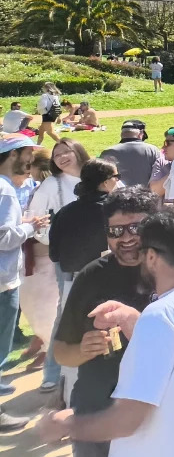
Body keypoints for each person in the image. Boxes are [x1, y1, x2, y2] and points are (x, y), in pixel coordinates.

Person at [35, 208, 174, 457]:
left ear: (151, 256)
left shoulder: (161, 316)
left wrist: (66, 425)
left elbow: (127, 421)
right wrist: (134, 321)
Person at [50, 187, 167, 457]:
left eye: (136, 227)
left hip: (161, 407)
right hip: (100, 408)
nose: (126, 237)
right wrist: (84, 350)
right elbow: (62, 351)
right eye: (116, 230)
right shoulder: (91, 276)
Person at [26, 137, 89, 393]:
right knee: (65, 313)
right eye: (57, 153)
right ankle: (52, 373)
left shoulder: (95, 175)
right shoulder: (52, 184)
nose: (62, 156)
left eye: (67, 151)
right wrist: (53, 238)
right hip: (69, 258)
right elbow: (35, 218)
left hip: (100, 253)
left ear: (79, 152)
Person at [0, 136, 45, 429]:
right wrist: (31, 227)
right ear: (13, 154)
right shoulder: (4, 191)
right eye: (28, 153)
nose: (30, 160)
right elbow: (4, 237)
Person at [49, 159, 118, 283]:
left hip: (73, 280)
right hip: (109, 276)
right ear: (106, 182)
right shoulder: (116, 211)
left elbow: (54, 253)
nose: (118, 180)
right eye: (116, 176)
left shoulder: (65, 212)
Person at [98, 122, 160, 190]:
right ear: (141, 134)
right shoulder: (152, 150)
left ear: (121, 134)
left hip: (116, 198)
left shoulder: (108, 152)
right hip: (147, 197)